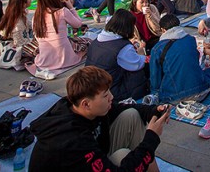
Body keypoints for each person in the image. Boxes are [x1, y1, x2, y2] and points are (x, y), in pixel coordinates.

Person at [30, 66, 168, 172]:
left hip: (94, 154)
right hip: (82, 161)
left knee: (130, 115)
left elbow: (117, 108)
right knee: (122, 156)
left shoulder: (78, 105)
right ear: (86, 104)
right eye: (105, 95)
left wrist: (153, 112)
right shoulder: (71, 139)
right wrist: (151, 138)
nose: (111, 97)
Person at [150, 14, 210, 103]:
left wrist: (156, 94)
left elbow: (155, 79)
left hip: (173, 97)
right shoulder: (190, 39)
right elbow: (194, 63)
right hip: (201, 91)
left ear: (163, 30)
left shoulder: (156, 49)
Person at [86, 10, 148, 100]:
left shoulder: (96, 41)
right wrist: (141, 53)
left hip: (91, 86)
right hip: (110, 91)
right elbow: (137, 64)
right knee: (142, 71)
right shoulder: (122, 47)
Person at [32, 0, 86, 76]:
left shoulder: (36, 16)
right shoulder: (63, 11)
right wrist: (71, 7)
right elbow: (78, 24)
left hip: (45, 57)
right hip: (64, 57)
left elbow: (36, 35)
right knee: (85, 43)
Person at [0, 0, 36, 64]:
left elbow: (31, 26)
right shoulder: (17, 22)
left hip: (15, 42)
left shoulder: (17, 14)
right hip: (11, 47)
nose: (31, 0)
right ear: (23, 3)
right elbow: (19, 43)